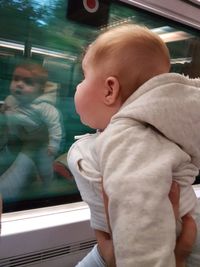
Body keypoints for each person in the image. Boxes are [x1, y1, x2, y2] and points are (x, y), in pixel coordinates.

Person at [67, 24, 200, 267]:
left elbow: (141, 226)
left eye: (84, 77)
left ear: (110, 90)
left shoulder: (129, 139)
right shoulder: (132, 135)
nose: (78, 86)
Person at [0, 62, 63, 197]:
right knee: (10, 159)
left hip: (42, 147)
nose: (19, 84)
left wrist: (53, 145)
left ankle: (49, 184)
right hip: (16, 141)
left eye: (28, 82)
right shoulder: (11, 99)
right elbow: (8, 116)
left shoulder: (44, 107)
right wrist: (4, 110)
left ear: (40, 90)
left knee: (45, 167)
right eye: (16, 79)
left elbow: (54, 126)